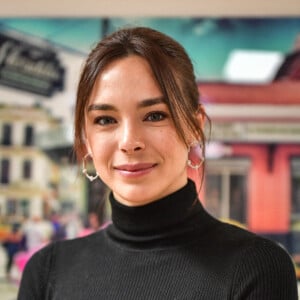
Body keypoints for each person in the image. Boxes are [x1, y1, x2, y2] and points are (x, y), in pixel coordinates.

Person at [17, 26, 298, 299]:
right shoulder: (46, 272)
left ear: (193, 127)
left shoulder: (256, 268)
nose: (129, 141)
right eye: (105, 120)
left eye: (154, 115)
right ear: (87, 138)